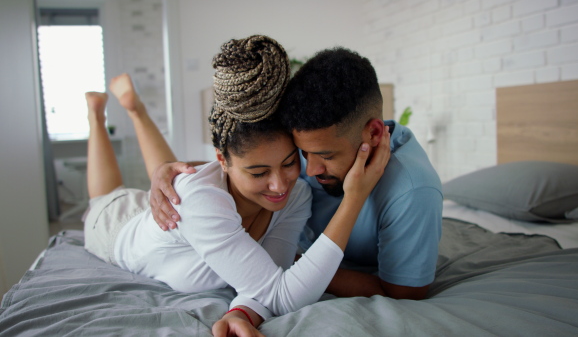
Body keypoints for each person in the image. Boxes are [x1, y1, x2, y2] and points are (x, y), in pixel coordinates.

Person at [82, 35, 390, 337]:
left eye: (288, 163)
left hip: (176, 214)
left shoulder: (296, 196)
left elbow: (272, 285)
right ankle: (97, 115)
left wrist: (239, 313)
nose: (279, 184)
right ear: (221, 160)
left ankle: (136, 110)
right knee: (104, 198)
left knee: (179, 181)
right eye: (258, 173)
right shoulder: (199, 200)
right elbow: (283, 296)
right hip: (116, 227)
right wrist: (354, 197)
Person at [150, 47, 442, 301]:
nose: (310, 170)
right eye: (301, 155)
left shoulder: (412, 190)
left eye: (326, 156)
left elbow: (404, 293)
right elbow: (248, 162)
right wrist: (171, 172)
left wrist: (295, 263)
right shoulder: (310, 145)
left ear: (375, 133)